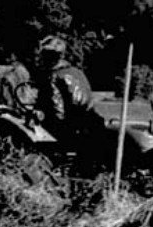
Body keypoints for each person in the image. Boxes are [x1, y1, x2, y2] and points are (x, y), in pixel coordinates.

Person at [33, 36, 106, 175]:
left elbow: (57, 110)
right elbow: (87, 98)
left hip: (69, 127)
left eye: (45, 54)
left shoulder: (52, 77)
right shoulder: (77, 72)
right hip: (90, 121)